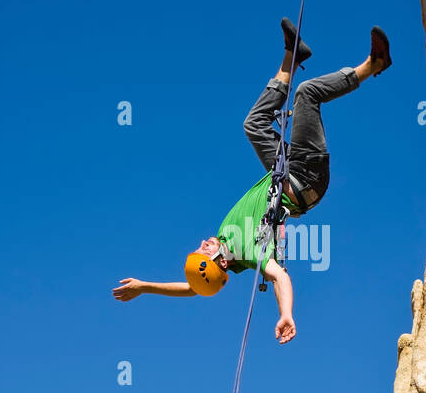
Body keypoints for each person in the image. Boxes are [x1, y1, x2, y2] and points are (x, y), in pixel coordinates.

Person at [112, 19, 392, 344]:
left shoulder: (223, 247)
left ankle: (292, 56)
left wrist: (146, 287)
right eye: (203, 251)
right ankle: (374, 66)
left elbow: (194, 287)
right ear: (218, 261)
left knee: (254, 125)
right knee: (308, 94)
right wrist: (286, 314)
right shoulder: (249, 250)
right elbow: (279, 276)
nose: (201, 244)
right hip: (305, 178)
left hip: (284, 171)